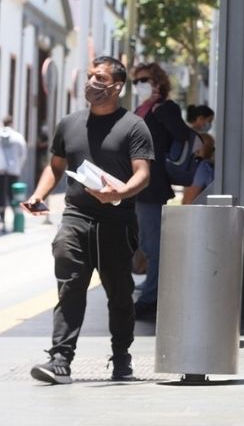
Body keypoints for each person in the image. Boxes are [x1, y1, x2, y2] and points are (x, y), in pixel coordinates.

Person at [22, 56, 154, 384]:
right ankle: (59, 360)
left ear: (117, 86)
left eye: (100, 77)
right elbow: (55, 165)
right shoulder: (69, 123)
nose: (92, 82)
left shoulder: (133, 126)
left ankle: (122, 356)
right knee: (70, 287)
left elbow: (143, 174)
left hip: (117, 221)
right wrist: (38, 195)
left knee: (120, 294)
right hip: (75, 217)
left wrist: (119, 192)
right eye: (90, 75)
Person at [131, 62, 196, 320]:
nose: (139, 85)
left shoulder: (163, 108)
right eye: (135, 81)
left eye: (144, 80)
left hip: (151, 186)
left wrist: (159, 109)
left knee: (152, 246)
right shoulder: (139, 110)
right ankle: (149, 291)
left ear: (158, 82)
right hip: (132, 186)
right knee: (141, 243)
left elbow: (181, 135)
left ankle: (151, 297)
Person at [0, 115, 28, 232]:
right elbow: (23, 154)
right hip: (13, 171)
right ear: (12, 123)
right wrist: (18, 167)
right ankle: (16, 221)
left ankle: (3, 221)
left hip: (1, 171)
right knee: (14, 196)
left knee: (1, 196)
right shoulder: (18, 137)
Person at [181, 133, 215, 204]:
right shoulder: (202, 167)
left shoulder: (192, 165)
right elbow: (189, 200)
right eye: (211, 148)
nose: (212, 151)